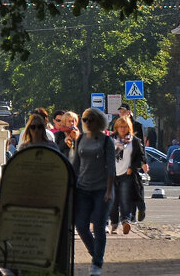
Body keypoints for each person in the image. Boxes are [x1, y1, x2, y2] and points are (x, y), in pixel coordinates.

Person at [67, 107, 115, 276]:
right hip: (83, 188)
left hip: (101, 189)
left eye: (90, 119)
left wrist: (109, 191)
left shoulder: (106, 141)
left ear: (99, 122)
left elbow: (111, 168)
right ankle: (96, 254)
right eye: (85, 119)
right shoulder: (80, 140)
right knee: (80, 224)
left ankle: (96, 264)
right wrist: (70, 182)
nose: (87, 123)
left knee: (99, 226)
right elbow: (75, 164)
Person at [112, 115, 145, 235]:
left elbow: (140, 157)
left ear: (129, 127)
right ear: (116, 127)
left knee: (125, 199)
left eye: (125, 126)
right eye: (120, 126)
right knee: (113, 201)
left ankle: (125, 221)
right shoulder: (111, 139)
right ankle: (114, 223)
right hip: (112, 174)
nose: (122, 129)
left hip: (126, 174)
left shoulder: (134, 141)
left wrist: (133, 167)